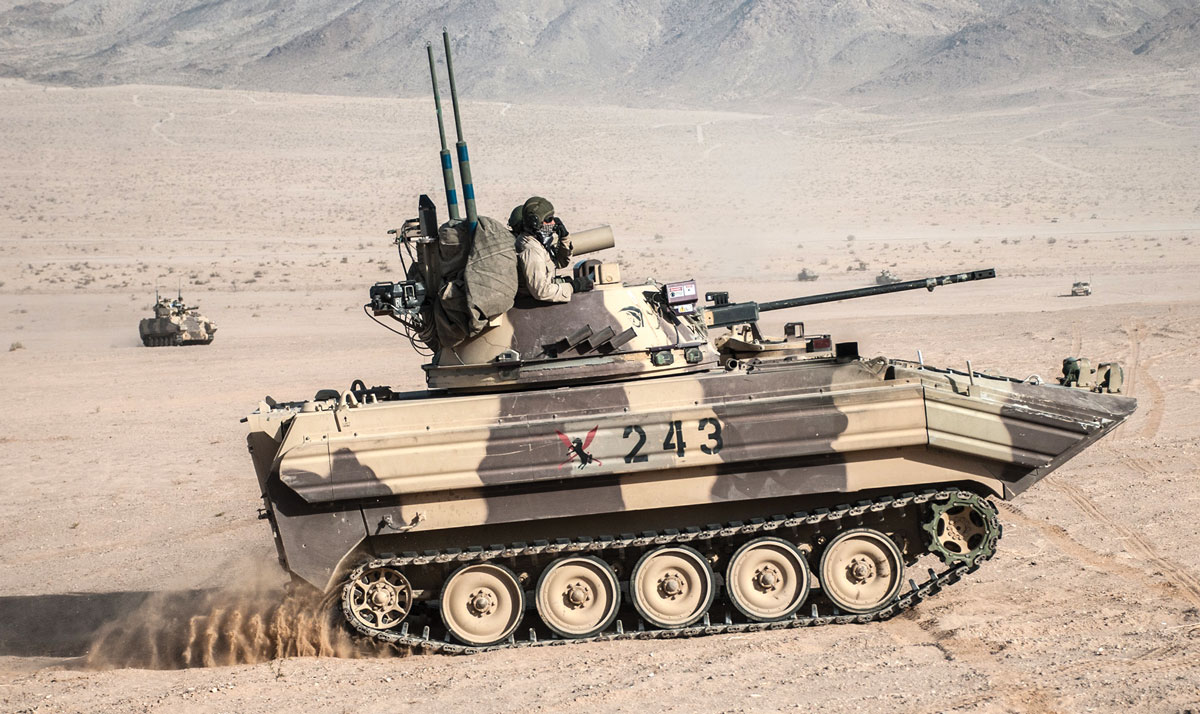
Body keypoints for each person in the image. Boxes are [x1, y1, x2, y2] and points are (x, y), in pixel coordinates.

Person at [511, 196, 590, 302]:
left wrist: (564, 238)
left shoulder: (538, 242)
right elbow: (541, 291)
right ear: (535, 223)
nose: (553, 223)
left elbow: (560, 262)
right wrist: (572, 287)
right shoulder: (532, 250)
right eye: (549, 219)